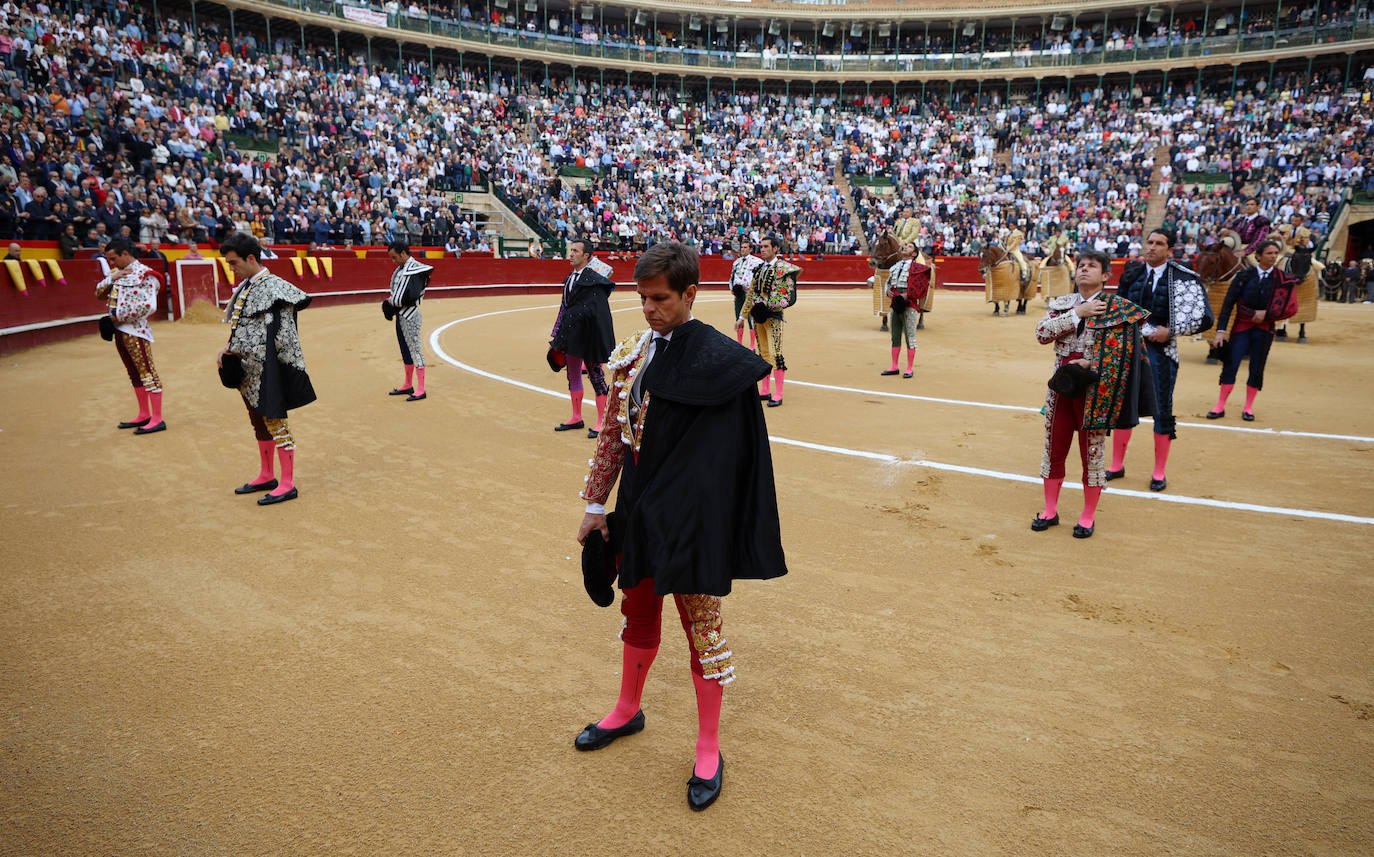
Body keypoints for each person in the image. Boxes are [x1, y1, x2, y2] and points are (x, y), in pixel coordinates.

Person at [573, 241, 788, 812]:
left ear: (690, 293)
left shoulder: (721, 362)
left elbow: (730, 462)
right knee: (637, 612)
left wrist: (707, 520)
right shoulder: (632, 356)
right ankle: (627, 709)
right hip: (641, 512)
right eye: (642, 298)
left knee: (704, 632)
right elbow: (614, 437)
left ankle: (709, 746)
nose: (648, 309)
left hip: (692, 523)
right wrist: (596, 506)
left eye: (660, 299)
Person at [1032, 249, 1150, 538]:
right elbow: (1042, 334)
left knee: (1093, 454)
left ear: (1106, 276)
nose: (1084, 269)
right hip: (1060, 389)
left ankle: (1087, 516)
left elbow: (1124, 355)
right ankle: (1049, 510)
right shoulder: (1063, 304)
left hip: (1097, 392)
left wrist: (1089, 363)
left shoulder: (1118, 308)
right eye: (1081, 265)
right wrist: (1077, 314)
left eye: (1092, 266)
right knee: (1054, 448)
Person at [217, 232, 316, 505]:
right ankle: (267, 474)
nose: (231, 268)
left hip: (268, 366)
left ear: (251, 258)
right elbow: (243, 327)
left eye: (234, 263)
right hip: (247, 367)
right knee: (257, 421)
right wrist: (228, 349)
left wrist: (276, 367)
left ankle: (287, 483)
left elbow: (282, 335)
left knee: (275, 421)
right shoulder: (247, 286)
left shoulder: (273, 287)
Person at [1108, 228, 1211, 492]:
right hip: (1129, 349)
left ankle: (1159, 470)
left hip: (1162, 352)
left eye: (1159, 243)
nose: (1152, 247)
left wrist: (1172, 331)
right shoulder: (1132, 273)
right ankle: (1116, 464)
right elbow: (1118, 309)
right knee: (1123, 405)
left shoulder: (1183, 277)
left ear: (1170, 250)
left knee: (1162, 408)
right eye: (1149, 242)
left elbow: (1203, 316)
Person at [1209, 240, 1293, 422]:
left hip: (1265, 330)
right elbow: (1228, 303)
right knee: (1231, 364)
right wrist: (1221, 330)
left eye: (1275, 253)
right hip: (1242, 327)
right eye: (1269, 253)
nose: (1273, 256)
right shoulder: (1244, 275)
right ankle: (1220, 405)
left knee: (1257, 367)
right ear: (1259, 256)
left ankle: (1248, 407)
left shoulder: (1281, 278)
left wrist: (1268, 314)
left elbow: (1289, 305)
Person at [94, 238, 167, 435]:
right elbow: (99, 294)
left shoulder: (145, 274)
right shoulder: (115, 273)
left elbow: (148, 306)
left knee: (147, 372)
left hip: (136, 331)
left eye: (113, 258)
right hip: (119, 331)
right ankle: (144, 414)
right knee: (133, 373)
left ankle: (158, 418)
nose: (111, 263)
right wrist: (114, 277)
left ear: (125, 253)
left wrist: (116, 317)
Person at [550, 239, 616, 437]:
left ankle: (601, 422)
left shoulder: (595, 280)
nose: (571, 254)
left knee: (596, 377)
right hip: (572, 335)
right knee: (573, 375)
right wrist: (559, 332)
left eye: (575, 251)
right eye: (571, 250)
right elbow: (565, 307)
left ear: (586, 256)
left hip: (588, 336)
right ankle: (576, 417)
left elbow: (598, 313)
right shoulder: (570, 277)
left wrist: (596, 338)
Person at [735, 235, 800, 407]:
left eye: (766, 246)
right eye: (761, 247)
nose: (762, 249)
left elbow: (789, 297)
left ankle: (778, 393)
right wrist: (742, 316)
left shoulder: (784, 268)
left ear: (775, 248)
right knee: (762, 353)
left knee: (775, 353)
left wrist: (768, 305)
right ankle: (765, 389)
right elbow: (751, 295)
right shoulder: (760, 269)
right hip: (758, 317)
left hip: (773, 317)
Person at [382, 241, 432, 401]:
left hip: (410, 315)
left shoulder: (415, 270)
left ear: (404, 253)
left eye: (395, 257)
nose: (393, 261)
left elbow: (409, 295)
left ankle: (421, 389)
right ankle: (408, 384)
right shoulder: (401, 269)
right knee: (405, 349)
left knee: (415, 349)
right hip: (400, 315)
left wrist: (391, 303)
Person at [881, 241, 928, 378]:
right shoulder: (895, 267)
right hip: (895, 303)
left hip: (909, 305)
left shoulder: (917, 268)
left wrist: (908, 295)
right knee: (894, 335)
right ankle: (894, 366)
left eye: (909, 246)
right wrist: (887, 291)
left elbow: (922, 288)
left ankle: (909, 368)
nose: (905, 247)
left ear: (914, 254)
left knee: (910, 337)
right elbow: (888, 282)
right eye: (905, 245)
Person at [728, 241, 763, 348]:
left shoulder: (757, 262)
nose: (742, 249)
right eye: (741, 247)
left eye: (745, 247)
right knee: (739, 317)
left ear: (750, 249)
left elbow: (760, 276)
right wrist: (731, 288)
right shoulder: (736, 262)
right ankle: (740, 344)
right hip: (738, 294)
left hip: (749, 294)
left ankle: (752, 346)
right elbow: (732, 277)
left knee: (751, 319)